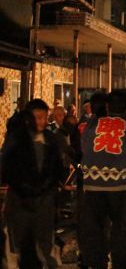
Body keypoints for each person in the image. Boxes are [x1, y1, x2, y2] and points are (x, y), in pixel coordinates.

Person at [79, 91, 126, 268]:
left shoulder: (92, 124)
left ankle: (96, 263)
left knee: (95, 228)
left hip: (93, 183)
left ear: (107, 106)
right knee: (121, 229)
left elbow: (84, 147)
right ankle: (121, 263)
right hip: (120, 184)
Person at [1, 100, 64, 268]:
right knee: (20, 238)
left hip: (45, 198)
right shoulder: (16, 139)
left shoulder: (50, 139)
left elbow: (57, 167)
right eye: (37, 117)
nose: (42, 121)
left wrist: (48, 186)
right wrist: (24, 188)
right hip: (20, 199)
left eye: (44, 117)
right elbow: (7, 167)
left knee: (44, 237)